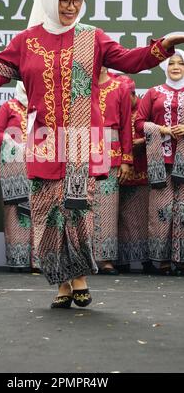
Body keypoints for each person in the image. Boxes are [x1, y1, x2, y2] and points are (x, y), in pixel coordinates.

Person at [0, 0, 183, 307]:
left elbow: (130, 60)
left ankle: (77, 276)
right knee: (46, 212)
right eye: (63, 1)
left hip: (80, 142)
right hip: (44, 140)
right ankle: (61, 282)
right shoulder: (27, 41)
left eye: (77, 0)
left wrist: (164, 46)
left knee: (77, 211)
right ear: (49, 0)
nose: (71, 7)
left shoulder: (92, 37)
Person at [135, 50, 184, 276]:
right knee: (161, 210)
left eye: (180, 63)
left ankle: (181, 259)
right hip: (161, 161)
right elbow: (139, 123)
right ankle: (162, 259)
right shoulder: (154, 93)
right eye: (171, 63)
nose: (175, 67)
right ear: (164, 67)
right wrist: (162, 129)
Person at [0, 82, 39, 271]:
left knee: (40, 212)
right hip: (13, 170)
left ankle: (38, 261)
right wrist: (15, 146)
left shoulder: (44, 107)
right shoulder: (9, 106)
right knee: (15, 214)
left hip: (39, 167)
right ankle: (18, 260)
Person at [93, 67, 133, 275]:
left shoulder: (120, 87)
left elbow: (126, 124)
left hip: (111, 148)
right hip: (83, 146)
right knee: (81, 205)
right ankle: (84, 258)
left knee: (108, 205)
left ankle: (106, 258)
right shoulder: (81, 86)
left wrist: (127, 159)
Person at [117, 76, 151, 273]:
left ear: (132, 94)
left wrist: (142, 143)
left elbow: (156, 133)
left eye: (124, 97)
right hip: (120, 170)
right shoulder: (116, 108)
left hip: (142, 169)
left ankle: (146, 260)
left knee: (142, 216)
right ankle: (123, 261)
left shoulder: (143, 108)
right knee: (121, 217)